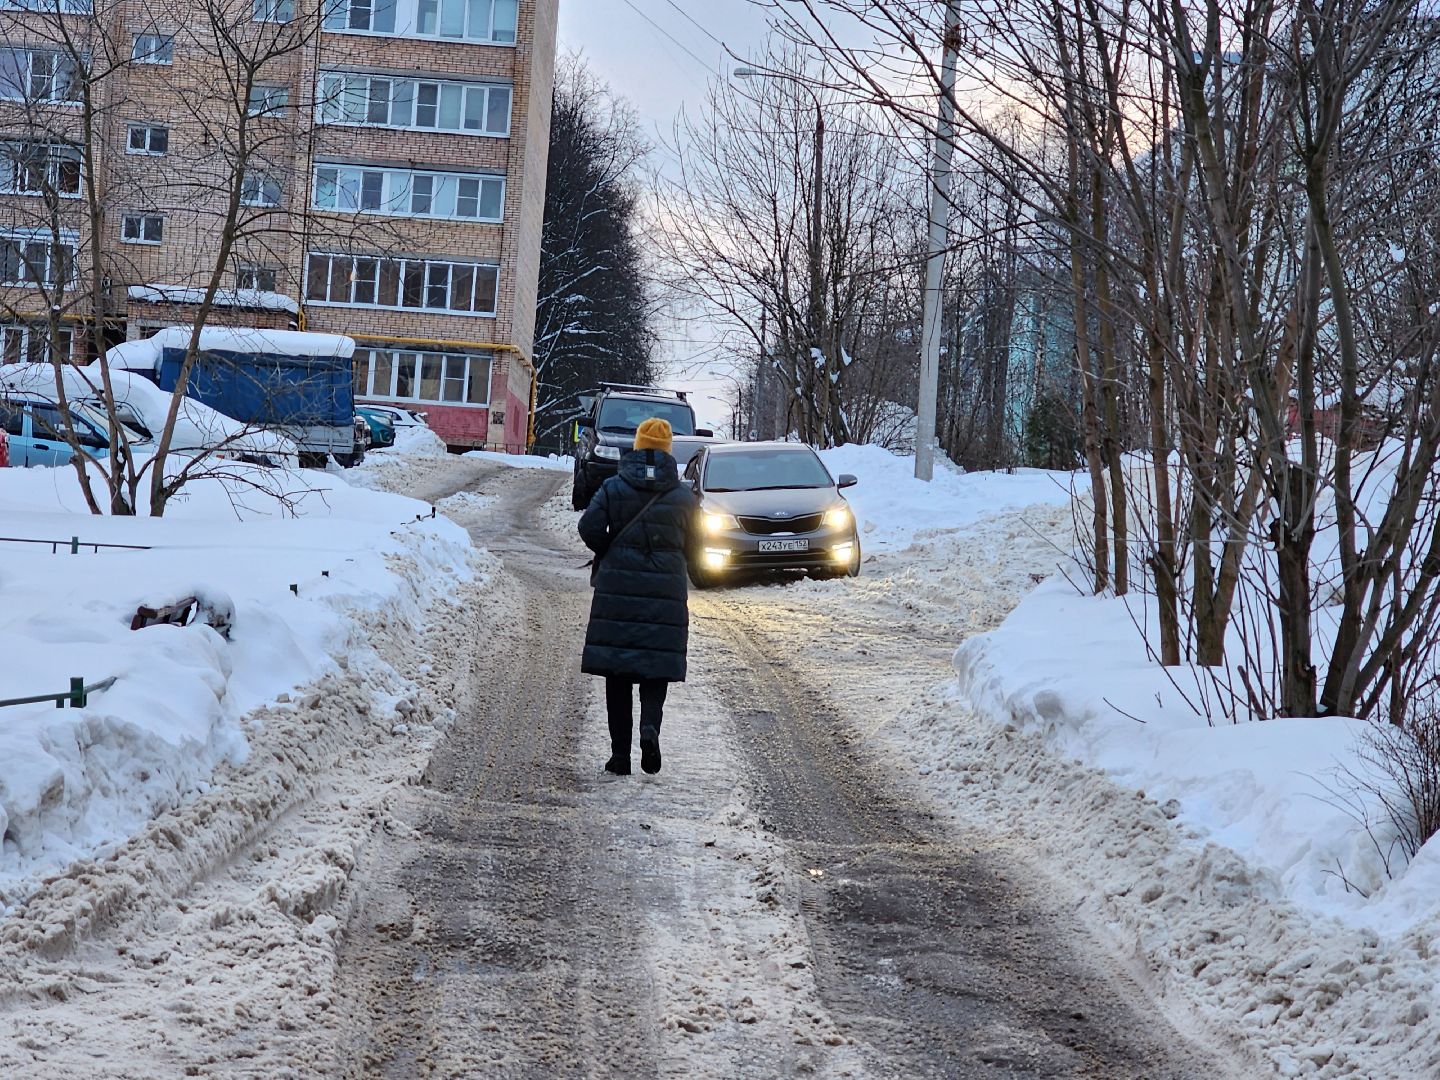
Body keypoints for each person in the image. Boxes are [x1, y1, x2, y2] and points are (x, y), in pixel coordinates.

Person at [578, 417, 696, 775]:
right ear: (667, 452)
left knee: (618, 673)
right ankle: (650, 729)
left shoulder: (615, 487)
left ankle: (619, 756)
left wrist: (611, 550)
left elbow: (589, 527)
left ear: (637, 446)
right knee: (654, 669)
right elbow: (698, 544)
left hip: (618, 590)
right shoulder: (683, 497)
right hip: (664, 590)